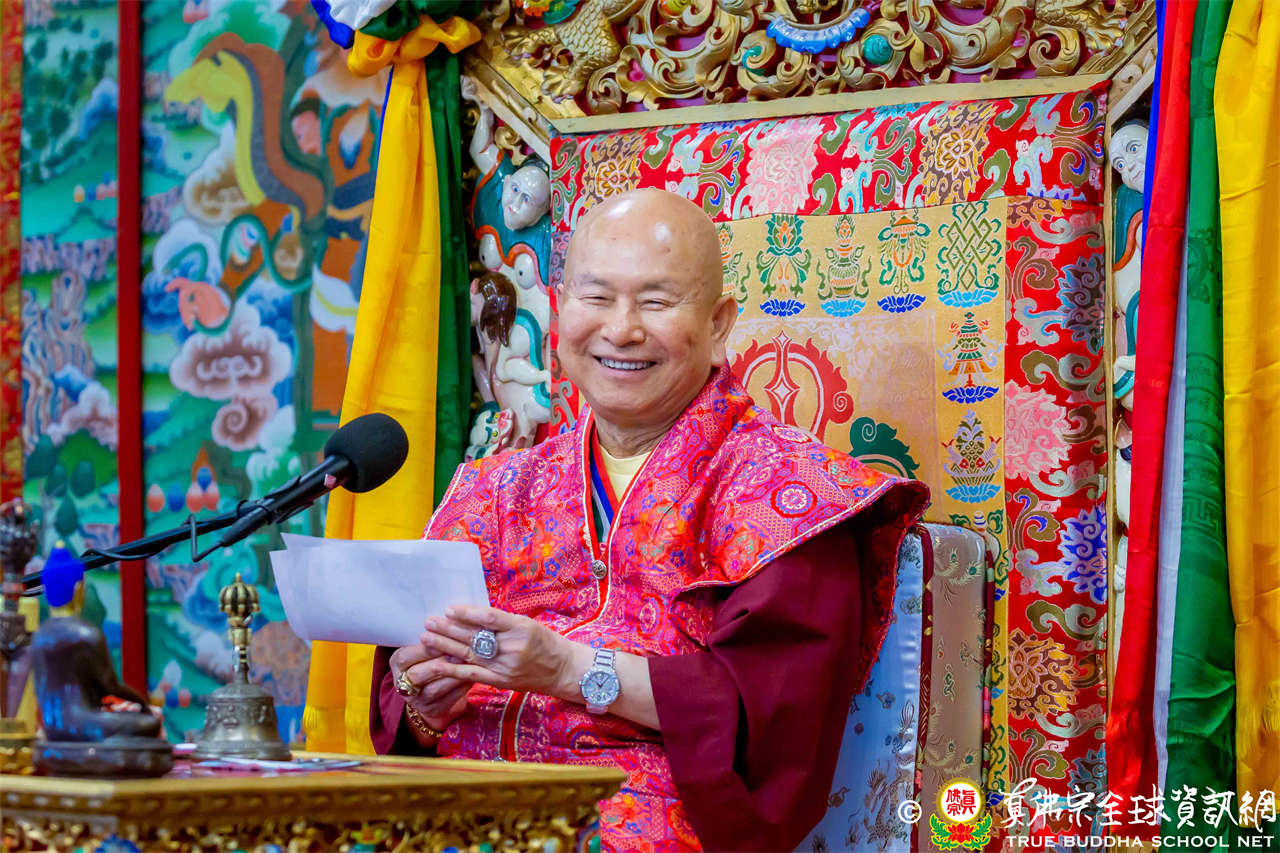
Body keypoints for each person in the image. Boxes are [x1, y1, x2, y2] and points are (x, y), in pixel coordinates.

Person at [370, 189, 929, 852]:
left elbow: (775, 731)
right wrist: (425, 708)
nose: (621, 329)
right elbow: (405, 709)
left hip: (632, 824)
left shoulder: (791, 497)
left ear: (719, 324)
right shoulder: (496, 489)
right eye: (597, 297)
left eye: (656, 302)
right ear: (560, 311)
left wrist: (569, 669)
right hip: (452, 818)